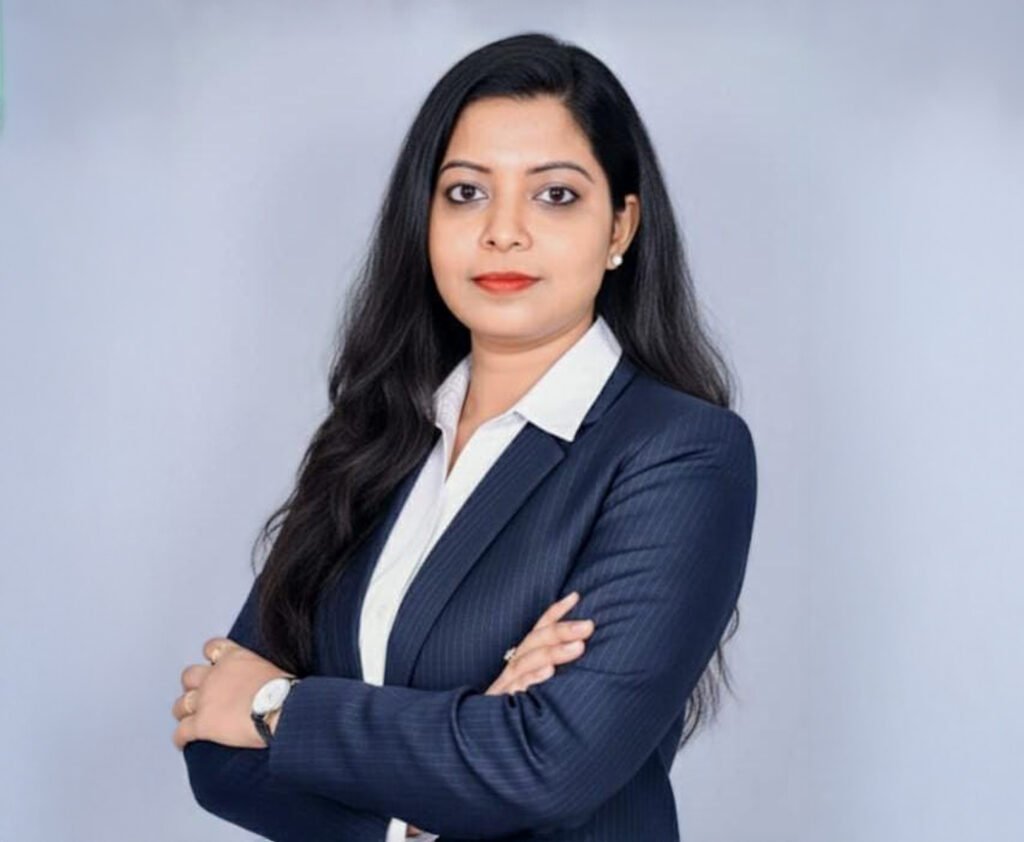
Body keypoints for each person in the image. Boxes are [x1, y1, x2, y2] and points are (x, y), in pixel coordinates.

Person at [171, 31, 757, 842]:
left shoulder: (680, 453)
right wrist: (444, 777)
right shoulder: (372, 437)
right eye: (466, 192)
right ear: (424, 217)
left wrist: (279, 707)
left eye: (555, 195)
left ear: (621, 227)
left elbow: (545, 766)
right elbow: (214, 746)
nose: (503, 231)